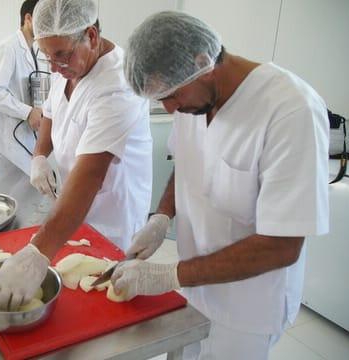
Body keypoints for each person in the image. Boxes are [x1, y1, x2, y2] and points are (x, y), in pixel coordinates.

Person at [115, 11, 330, 359]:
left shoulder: (290, 111)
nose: (170, 109)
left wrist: (170, 275)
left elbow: (282, 246)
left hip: (247, 309)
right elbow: (186, 162)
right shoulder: (195, 102)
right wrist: (162, 217)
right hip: (193, 286)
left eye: (172, 95)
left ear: (203, 62)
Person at [0, 0, 153, 311]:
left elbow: (90, 175)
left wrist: (37, 253)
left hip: (112, 216)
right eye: (46, 56)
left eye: (60, 55)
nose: (53, 66)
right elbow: (51, 111)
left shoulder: (118, 84)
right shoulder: (68, 62)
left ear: (90, 35)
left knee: (104, 308)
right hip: (75, 209)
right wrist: (39, 156)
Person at [0, 0, 46, 175]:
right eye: (44, 19)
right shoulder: (8, 48)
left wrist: (40, 108)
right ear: (28, 18)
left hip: (26, 136)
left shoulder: (35, 49)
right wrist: (27, 112)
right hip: (5, 139)